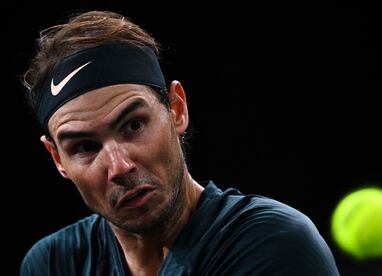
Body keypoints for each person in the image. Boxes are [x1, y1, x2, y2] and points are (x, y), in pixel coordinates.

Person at [20, 10, 340, 276]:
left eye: (133, 125)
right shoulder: (52, 264)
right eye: (86, 147)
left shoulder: (274, 245)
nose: (119, 166)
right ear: (58, 158)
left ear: (176, 109)